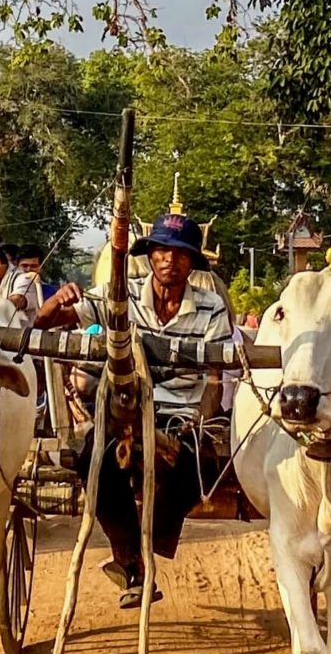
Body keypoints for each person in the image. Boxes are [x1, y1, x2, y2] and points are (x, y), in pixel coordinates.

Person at [80, 205, 231, 608]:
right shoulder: (122, 295)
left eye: (180, 253)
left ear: (192, 262)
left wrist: (199, 422)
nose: (169, 260)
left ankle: (151, 546)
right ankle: (131, 562)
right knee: (93, 459)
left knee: (197, 465)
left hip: (182, 413)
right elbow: (77, 312)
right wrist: (48, 307)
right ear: (150, 255)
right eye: (162, 250)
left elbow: (214, 379)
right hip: (126, 409)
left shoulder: (211, 306)